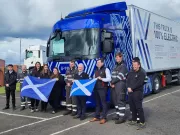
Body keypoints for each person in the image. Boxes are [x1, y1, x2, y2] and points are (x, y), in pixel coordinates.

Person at [90, 58, 111, 124]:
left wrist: (101, 78)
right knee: (97, 103)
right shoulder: (95, 70)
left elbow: (109, 78)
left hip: (103, 88)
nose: (97, 64)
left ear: (102, 63)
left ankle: (104, 118)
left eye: (99, 63)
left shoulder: (106, 69)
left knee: (103, 103)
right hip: (96, 89)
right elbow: (93, 79)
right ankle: (97, 116)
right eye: (97, 63)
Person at [127, 57, 146, 130]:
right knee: (132, 107)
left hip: (137, 92)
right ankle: (134, 120)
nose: (134, 66)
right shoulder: (131, 72)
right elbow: (127, 80)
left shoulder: (142, 73)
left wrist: (132, 88)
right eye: (133, 65)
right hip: (130, 92)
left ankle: (142, 122)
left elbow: (139, 83)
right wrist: (128, 87)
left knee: (138, 108)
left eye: (135, 65)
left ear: (139, 65)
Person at [110, 52, 128, 124]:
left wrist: (112, 82)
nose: (117, 58)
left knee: (120, 101)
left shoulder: (123, 66)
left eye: (118, 57)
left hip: (120, 86)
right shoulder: (115, 66)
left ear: (121, 57)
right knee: (115, 101)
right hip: (114, 86)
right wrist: (112, 82)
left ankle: (121, 117)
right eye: (116, 57)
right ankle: (117, 115)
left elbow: (120, 76)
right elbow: (112, 76)